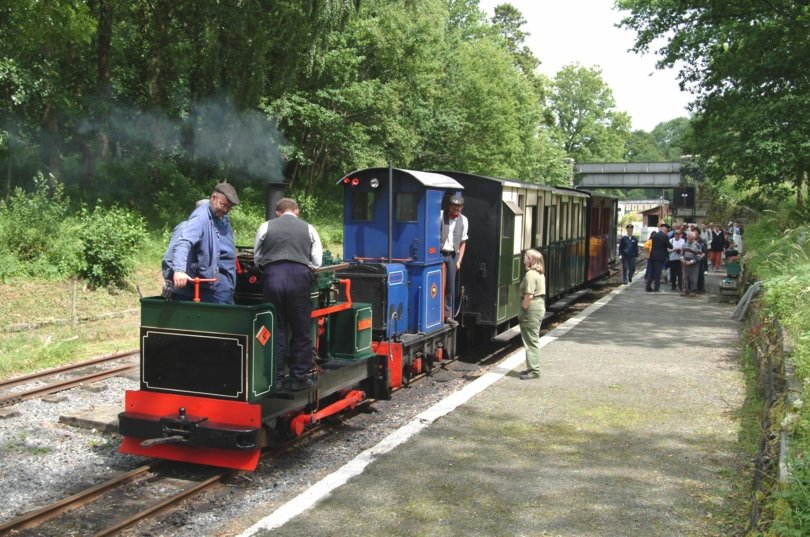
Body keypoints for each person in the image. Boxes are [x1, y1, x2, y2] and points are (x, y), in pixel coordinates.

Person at [254, 198, 323, 391]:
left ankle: (275, 379)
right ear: (297, 211)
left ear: (277, 212)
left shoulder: (265, 226)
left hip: (272, 278)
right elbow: (316, 261)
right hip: (299, 279)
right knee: (301, 330)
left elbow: (257, 257)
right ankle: (297, 378)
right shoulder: (309, 228)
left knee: (276, 329)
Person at [163, 183, 239, 303]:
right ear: (213, 198)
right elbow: (183, 243)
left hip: (224, 282)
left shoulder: (223, 218)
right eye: (223, 205)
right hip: (211, 284)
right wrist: (178, 271)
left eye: (229, 207)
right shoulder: (200, 217)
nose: (225, 210)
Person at [440, 195, 468, 327]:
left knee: (450, 286)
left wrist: (459, 260)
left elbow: (463, 242)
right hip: (439, 253)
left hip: (452, 255)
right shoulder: (440, 215)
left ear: (461, 208)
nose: (456, 208)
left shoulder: (464, 220)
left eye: (458, 206)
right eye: (453, 206)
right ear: (449, 206)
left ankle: (446, 315)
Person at [518, 249, 545, 380]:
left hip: (531, 308)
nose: (524, 257)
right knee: (531, 338)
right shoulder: (539, 273)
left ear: (531, 260)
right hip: (538, 305)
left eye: (526, 256)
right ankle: (532, 367)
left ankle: (534, 370)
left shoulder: (530, 275)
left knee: (530, 340)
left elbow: (528, 295)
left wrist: (523, 308)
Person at [646, 223, 671, 292]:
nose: (667, 232)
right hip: (660, 257)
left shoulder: (654, 235)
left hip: (652, 256)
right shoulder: (665, 236)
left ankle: (648, 287)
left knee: (651, 272)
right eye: (667, 230)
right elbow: (669, 246)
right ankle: (656, 288)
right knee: (657, 273)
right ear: (665, 229)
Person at [681, 231, 704, 296]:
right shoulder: (685, 244)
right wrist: (682, 259)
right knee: (685, 278)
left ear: (693, 237)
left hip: (694, 264)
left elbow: (699, 256)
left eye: (689, 236)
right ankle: (686, 290)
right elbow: (682, 253)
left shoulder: (697, 245)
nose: (687, 238)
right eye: (687, 236)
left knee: (693, 278)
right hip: (685, 263)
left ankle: (693, 291)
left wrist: (691, 262)